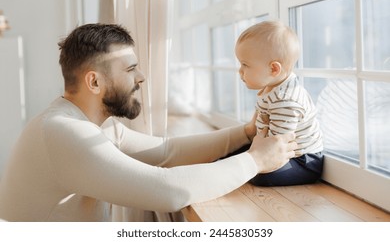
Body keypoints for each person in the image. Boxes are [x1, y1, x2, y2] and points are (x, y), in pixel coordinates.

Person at [0, 23, 296, 222]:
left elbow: (167, 152)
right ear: (94, 81)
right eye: (130, 69)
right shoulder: (63, 132)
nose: (141, 77)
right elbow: (168, 191)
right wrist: (256, 161)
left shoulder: (95, 126)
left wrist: (245, 132)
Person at [234, 20, 324, 186]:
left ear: (273, 69)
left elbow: (278, 146)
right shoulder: (272, 85)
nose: (240, 70)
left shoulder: (286, 100)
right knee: (235, 155)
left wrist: (253, 161)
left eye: (245, 64)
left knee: (259, 176)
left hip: (301, 161)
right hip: (276, 150)